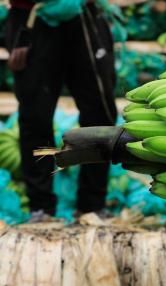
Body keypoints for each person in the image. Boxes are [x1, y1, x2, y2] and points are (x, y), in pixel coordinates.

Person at [5, 0, 117, 222]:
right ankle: (41, 208)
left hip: (81, 15)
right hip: (32, 16)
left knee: (99, 113)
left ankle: (92, 205)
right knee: (35, 116)